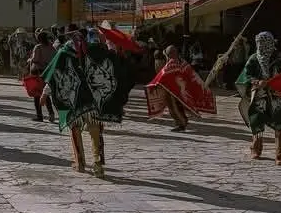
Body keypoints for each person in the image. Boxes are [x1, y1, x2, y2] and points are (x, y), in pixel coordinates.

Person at [44, 25, 135, 177]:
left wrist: (44, 93)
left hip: (75, 101)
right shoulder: (96, 50)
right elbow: (114, 61)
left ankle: (80, 163)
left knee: (76, 131)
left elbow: (54, 75)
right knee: (95, 131)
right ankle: (98, 165)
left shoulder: (64, 53)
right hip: (94, 100)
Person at [236, 31, 281, 165]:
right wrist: (257, 82)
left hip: (277, 97)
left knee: (280, 123)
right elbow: (246, 76)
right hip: (259, 97)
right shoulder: (254, 59)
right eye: (259, 43)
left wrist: (276, 83)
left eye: (265, 43)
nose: (262, 46)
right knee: (256, 121)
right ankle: (256, 148)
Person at [146, 44, 216, 132]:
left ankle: (181, 124)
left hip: (173, 91)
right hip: (180, 91)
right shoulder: (182, 62)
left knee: (174, 108)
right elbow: (192, 75)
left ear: (170, 54)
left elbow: (162, 77)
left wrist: (153, 84)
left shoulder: (171, 64)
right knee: (179, 107)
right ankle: (182, 122)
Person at [26, 30, 56, 122]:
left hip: (39, 72)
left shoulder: (38, 47)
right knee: (45, 94)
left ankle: (39, 115)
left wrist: (29, 60)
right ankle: (51, 114)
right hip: (49, 72)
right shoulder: (52, 47)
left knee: (37, 95)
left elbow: (35, 59)